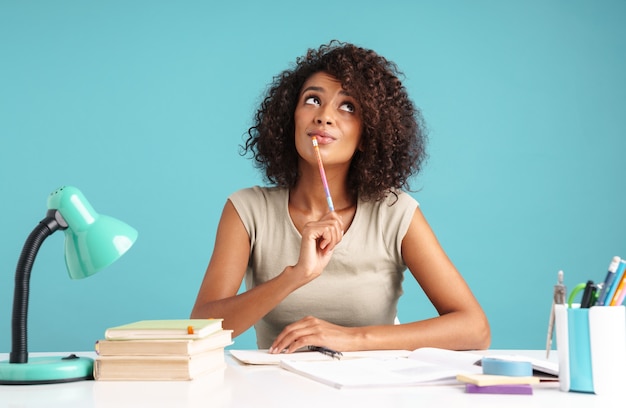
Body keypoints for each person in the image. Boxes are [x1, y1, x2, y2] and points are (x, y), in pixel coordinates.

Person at [191, 40, 490, 353]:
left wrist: (351, 339)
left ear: (367, 133)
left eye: (348, 106)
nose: (324, 117)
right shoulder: (247, 210)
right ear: (289, 118)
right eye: (312, 100)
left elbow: (475, 328)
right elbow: (200, 328)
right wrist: (295, 276)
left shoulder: (394, 211)